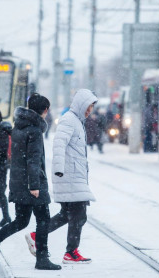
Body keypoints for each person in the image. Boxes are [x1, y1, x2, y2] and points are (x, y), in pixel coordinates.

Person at [0, 94, 61, 271]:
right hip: (32, 182)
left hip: (18, 181)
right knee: (44, 219)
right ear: (44, 111)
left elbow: (19, 158)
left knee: (21, 221)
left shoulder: (19, 126)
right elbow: (33, 160)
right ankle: (42, 259)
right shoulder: (35, 130)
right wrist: (35, 185)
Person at [25, 89, 98, 264]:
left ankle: (37, 235)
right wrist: (59, 170)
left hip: (73, 175)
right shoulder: (69, 120)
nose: (89, 111)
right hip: (68, 176)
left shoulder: (77, 121)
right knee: (79, 214)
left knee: (67, 214)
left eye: (91, 108)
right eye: (88, 107)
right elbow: (59, 144)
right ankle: (71, 252)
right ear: (80, 104)